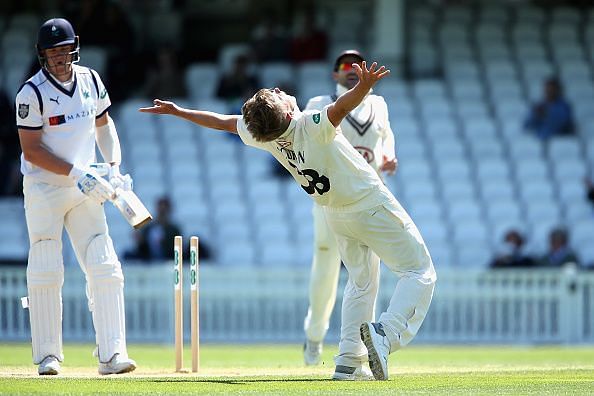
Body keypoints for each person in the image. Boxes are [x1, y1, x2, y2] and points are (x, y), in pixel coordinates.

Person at [140, 60, 436, 381]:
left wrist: (179, 112)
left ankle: (349, 361)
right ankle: (387, 334)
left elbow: (223, 122)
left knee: (361, 283)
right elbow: (340, 107)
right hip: (368, 204)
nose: (280, 90)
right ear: (287, 113)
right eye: (277, 94)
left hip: (336, 215)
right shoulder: (309, 124)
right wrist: (364, 87)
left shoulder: (266, 136)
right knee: (420, 271)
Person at [15, 18, 136, 375]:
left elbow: (104, 124)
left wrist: (112, 166)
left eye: (64, 50)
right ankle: (48, 356)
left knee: (104, 263)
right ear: (42, 55)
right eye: (52, 53)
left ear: (74, 48)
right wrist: (77, 173)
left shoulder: (91, 80)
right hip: (45, 189)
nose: (59, 58)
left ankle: (112, 354)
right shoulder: (31, 93)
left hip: (85, 186)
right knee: (46, 266)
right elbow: (32, 151)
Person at [301, 50, 398, 366]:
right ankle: (315, 337)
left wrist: (387, 157)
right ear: (335, 74)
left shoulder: (379, 104)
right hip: (330, 197)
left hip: (368, 195)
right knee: (326, 266)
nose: (352, 69)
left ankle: (358, 345)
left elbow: (386, 138)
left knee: (368, 272)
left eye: (357, 64)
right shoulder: (319, 102)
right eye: (344, 66)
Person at [125, 196, 182, 261]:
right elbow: (142, 248)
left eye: (164, 211)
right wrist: (139, 240)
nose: (162, 214)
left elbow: (177, 249)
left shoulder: (174, 230)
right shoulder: (148, 228)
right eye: (160, 211)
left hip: (168, 259)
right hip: (149, 259)